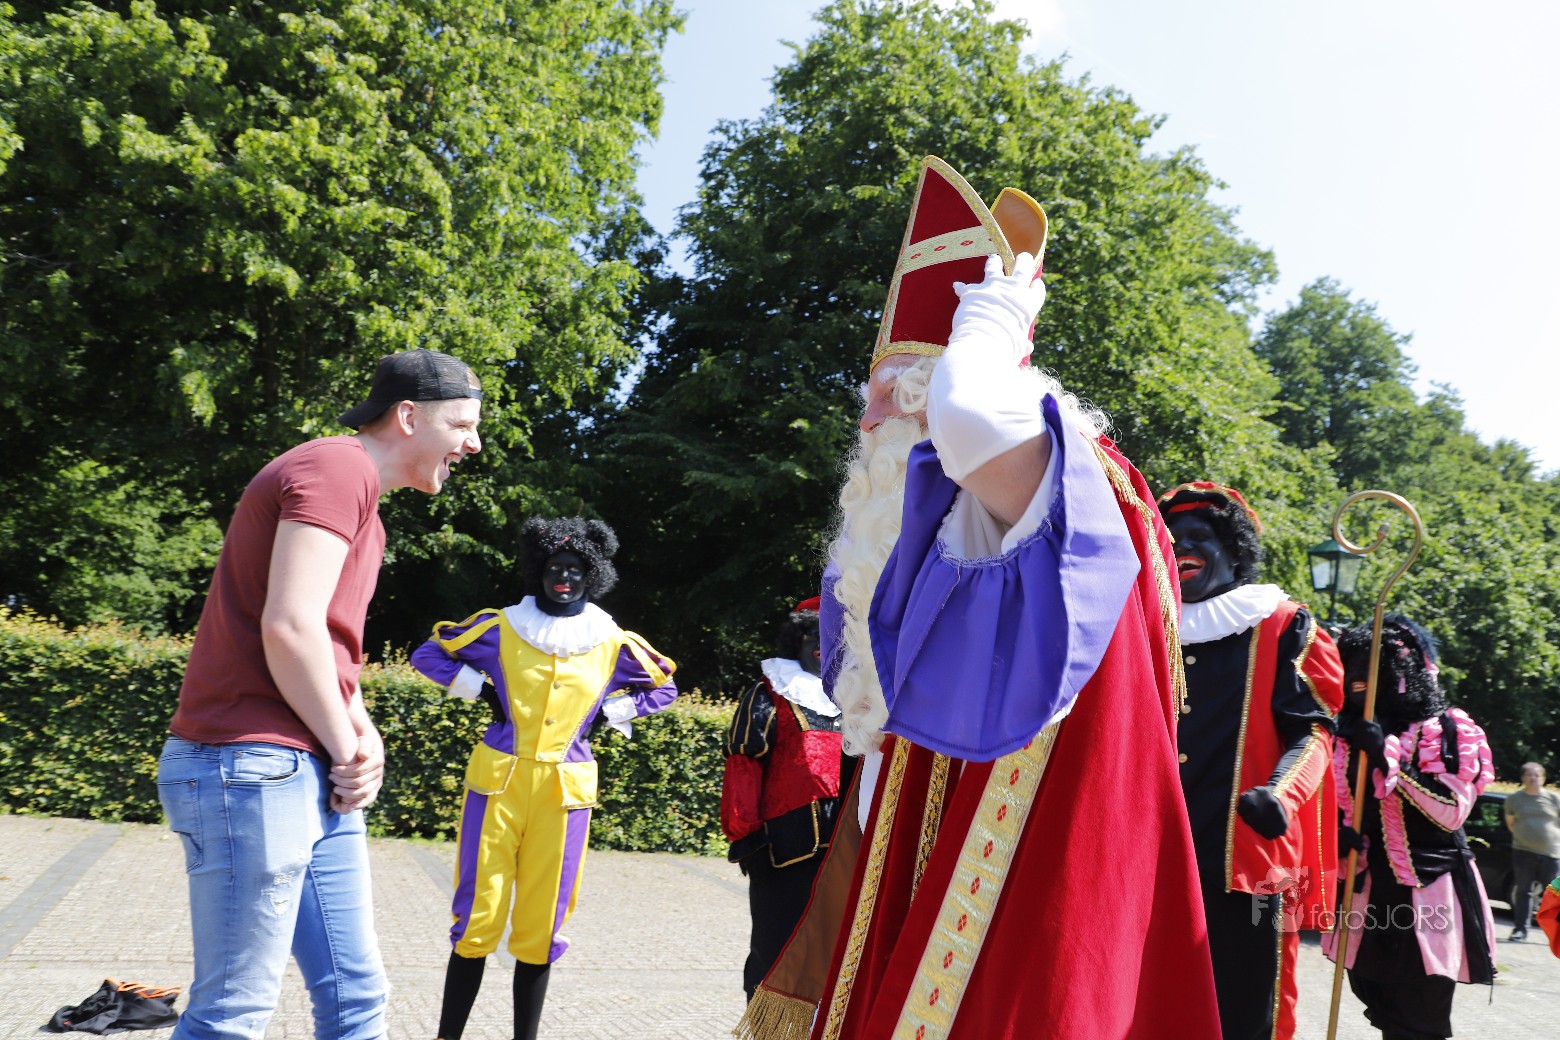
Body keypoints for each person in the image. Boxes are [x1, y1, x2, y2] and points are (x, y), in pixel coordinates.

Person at [781, 155, 1219, 1039]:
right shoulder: (949, 520)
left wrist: (995, 313)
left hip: (1019, 897)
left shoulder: (1055, 482)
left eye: (886, 399)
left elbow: (972, 416)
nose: (866, 426)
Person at [159, 348, 484, 1040]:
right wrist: (345, 745)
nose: (473, 443)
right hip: (248, 765)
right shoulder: (338, 468)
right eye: (461, 424)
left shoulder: (367, 507)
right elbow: (288, 627)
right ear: (407, 417)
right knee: (232, 1014)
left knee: (356, 997)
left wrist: (362, 732)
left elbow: (327, 646)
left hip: (298, 769)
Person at [409, 516, 676, 1040]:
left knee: (541, 922)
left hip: (563, 794)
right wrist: (479, 689)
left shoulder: (613, 642)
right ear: (539, 570)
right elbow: (428, 654)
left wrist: (612, 712)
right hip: (498, 786)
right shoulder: (500, 627)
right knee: (478, 915)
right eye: (556, 567)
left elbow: (664, 686)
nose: (565, 577)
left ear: (592, 575)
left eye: (576, 569)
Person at [1156, 482, 1344, 1040]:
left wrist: (1281, 794)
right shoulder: (1145, 625)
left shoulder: (1282, 625)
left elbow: (1314, 731)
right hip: (1151, 851)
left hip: (1245, 856)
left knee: (1243, 1012)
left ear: (1234, 551)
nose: (1182, 546)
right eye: (1171, 537)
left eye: (1199, 536)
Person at [1323, 613, 1496, 1040]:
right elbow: (1333, 807)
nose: (1356, 677)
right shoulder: (1342, 737)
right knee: (1378, 999)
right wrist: (1335, 836)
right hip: (1366, 895)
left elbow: (1452, 811)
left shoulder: (1447, 729)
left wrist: (1390, 762)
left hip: (1428, 892)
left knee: (1417, 1017)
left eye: (1369, 666)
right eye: (1350, 665)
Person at [722, 597, 846, 1002]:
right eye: (814, 635)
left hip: (848, 847)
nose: (823, 645)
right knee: (775, 946)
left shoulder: (862, 697)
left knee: (838, 950)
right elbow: (744, 766)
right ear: (797, 640)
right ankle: (766, 1024)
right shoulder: (770, 692)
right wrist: (747, 836)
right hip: (784, 849)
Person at [1503, 761, 1560, 942]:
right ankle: (1520, 931)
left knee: (1554, 895)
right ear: (1523, 777)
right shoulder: (1514, 799)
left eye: (1537, 775)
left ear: (1543, 778)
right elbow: (1511, 824)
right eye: (1529, 774)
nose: (1533, 778)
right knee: (1523, 892)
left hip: (1551, 854)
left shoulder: (1554, 799)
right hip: (1523, 852)